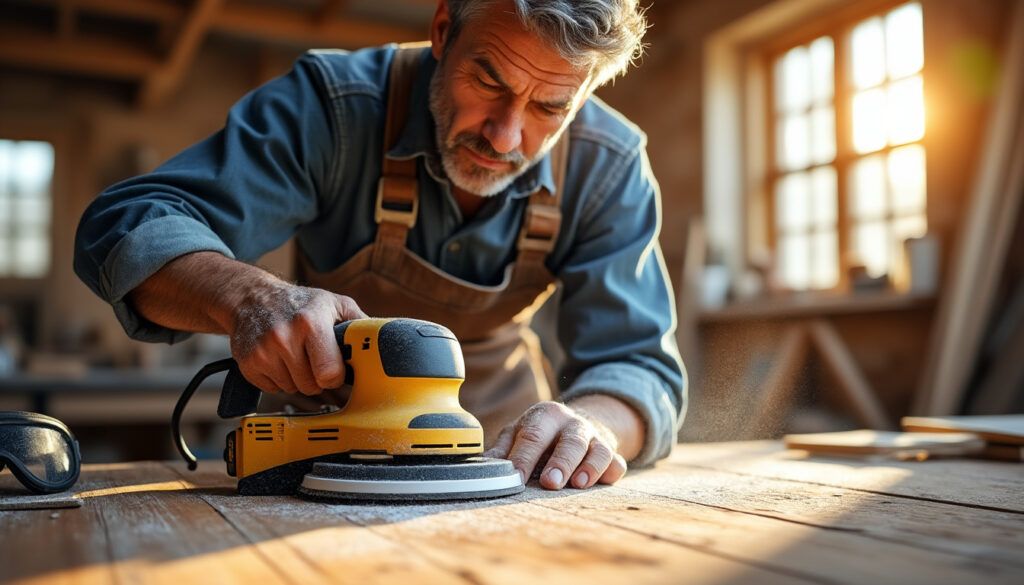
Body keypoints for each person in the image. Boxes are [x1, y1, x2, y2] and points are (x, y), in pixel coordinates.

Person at [74, 0, 686, 491]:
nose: (505, 136)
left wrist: (595, 422)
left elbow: (639, 366)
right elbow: (126, 222)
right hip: (329, 457)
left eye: (550, 106)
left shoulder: (609, 166)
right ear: (443, 29)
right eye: (488, 79)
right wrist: (249, 296)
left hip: (511, 461)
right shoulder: (335, 108)